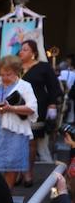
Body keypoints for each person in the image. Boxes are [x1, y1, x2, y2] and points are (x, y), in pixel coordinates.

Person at [0, 55, 37, 188]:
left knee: (11, 166)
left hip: (15, 132)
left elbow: (32, 108)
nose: (4, 78)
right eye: (2, 74)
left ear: (17, 72)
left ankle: (7, 197)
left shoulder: (25, 86)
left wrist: (11, 108)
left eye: (8, 74)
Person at [20, 39, 63, 172]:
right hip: (17, 108)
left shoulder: (43, 67)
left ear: (33, 53)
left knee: (32, 139)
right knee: (20, 139)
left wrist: (52, 104)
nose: (21, 52)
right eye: (21, 49)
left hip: (37, 107)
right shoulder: (16, 66)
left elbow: (53, 87)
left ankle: (30, 171)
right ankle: (19, 171)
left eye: (25, 49)